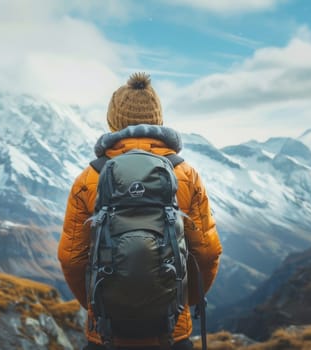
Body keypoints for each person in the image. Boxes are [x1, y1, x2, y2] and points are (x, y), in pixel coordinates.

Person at [58, 72, 222, 350]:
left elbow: (71, 258)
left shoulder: (88, 178)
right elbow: (206, 253)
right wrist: (179, 300)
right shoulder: (185, 174)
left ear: (113, 121)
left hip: (107, 333)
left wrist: (100, 303)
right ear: (158, 119)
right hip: (170, 332)